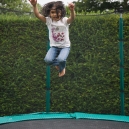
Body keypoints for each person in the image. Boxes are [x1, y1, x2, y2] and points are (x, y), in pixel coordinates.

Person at [29, 0, 75, 77]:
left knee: (61, 59)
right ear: (49, 13)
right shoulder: (49, 21)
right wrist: (34, 5)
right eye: (53, 12)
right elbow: (38, 15)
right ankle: (60, 66)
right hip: (54, 47)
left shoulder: (64, 21)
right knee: (47, 60)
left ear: (62, 12)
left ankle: (62, 67)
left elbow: (72, 18)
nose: (55, 14)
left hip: (65, 47)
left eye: (58, 12)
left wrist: (72, 10)